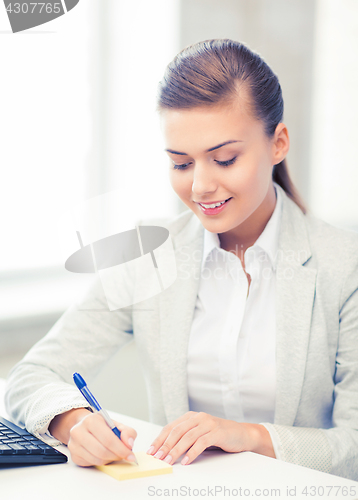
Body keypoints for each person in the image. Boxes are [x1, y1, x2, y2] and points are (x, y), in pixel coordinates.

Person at [5, 39, 358, 480]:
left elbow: (353, 444)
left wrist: (248, 436)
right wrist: (73, 420)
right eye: (181, 164)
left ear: (279, 143)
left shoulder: (344, 266)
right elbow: (31, 375)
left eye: (225, 159)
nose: (200, 187)